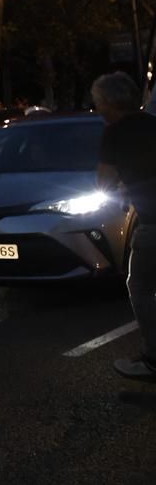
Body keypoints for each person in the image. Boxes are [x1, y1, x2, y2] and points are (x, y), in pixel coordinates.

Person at [91, 71, 156, 380]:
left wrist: (119, 193)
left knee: (139, 287)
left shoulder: (114, 133)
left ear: (111, 102)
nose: (97, 108)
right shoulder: (153, 123)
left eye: (99, 102)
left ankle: (153, 359)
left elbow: (104, 181)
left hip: (153, 224)